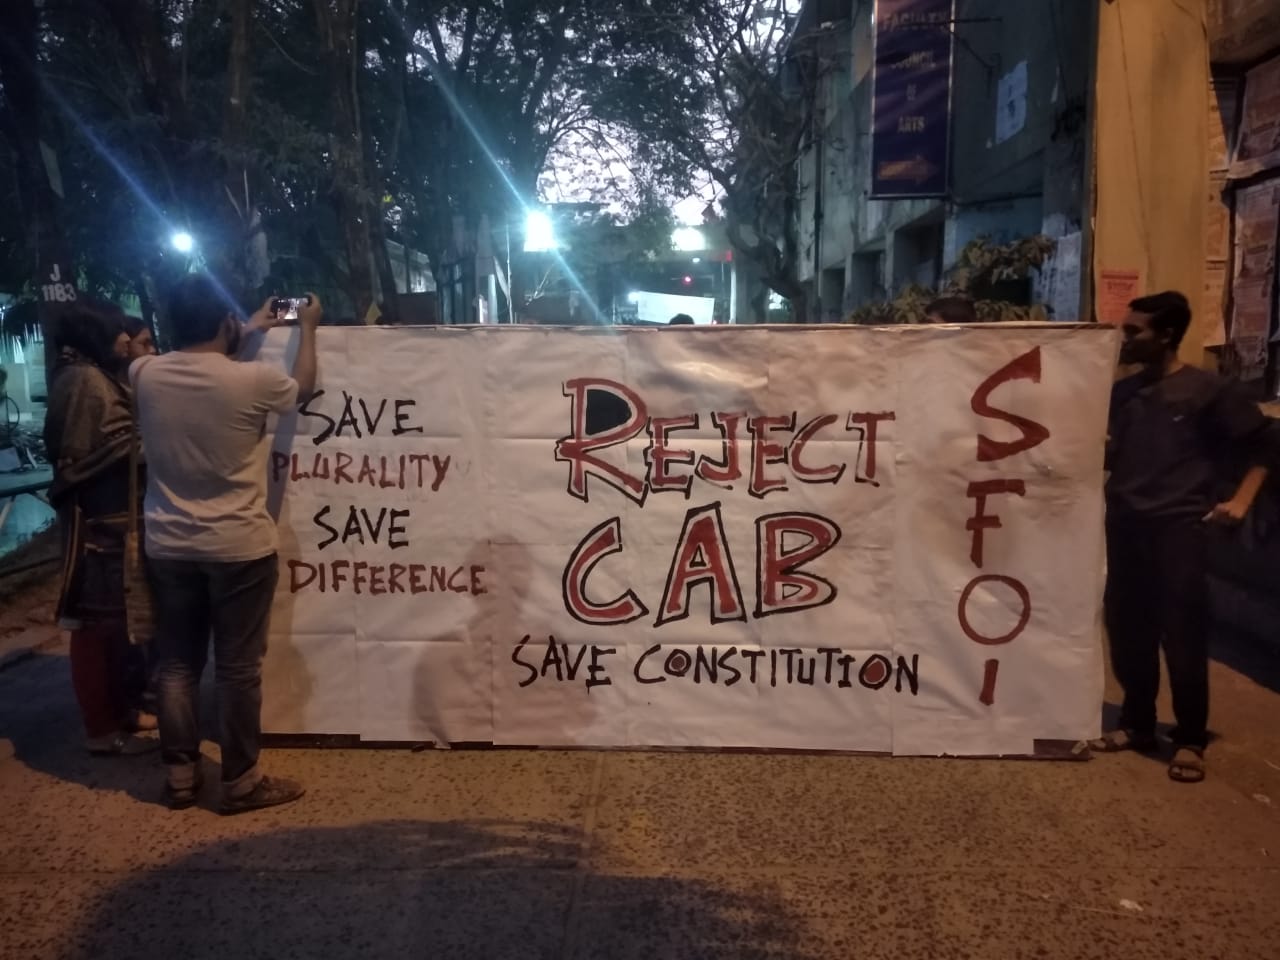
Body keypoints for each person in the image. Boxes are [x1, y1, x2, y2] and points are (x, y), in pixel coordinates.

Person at [132, 275, 320, 813]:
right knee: (237, 667)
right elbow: (301, 388)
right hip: (238, 546)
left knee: (176, 665)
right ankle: (240, 782)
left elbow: (191, 362)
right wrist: (305, 328)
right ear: (224, 324)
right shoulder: (253, 381)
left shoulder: (143, 373)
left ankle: (180, 778)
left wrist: (250, 325)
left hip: (168, 545)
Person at [1096, 291, 1280, 783]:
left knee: (1182, 636)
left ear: (1167, 335)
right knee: (1127, 631)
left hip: (1179, 529)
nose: (1125, 338)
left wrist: (1240, 503)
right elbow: (1112, 457)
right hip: (1125, 526)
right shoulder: (1124, 394)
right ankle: (1136, 724)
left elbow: (1265, 444)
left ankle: (1190, 739)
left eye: (1135, 331)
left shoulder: (1207, 391)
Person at [44, 301, 157, 755]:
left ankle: (121, 712)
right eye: (118, 333)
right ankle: (101, 727)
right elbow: (92, 452)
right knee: (94, 626)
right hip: (96, 522)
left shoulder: (90, 375)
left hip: (113, 517)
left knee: (116, 623)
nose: (127, 340)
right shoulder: (84, 382)